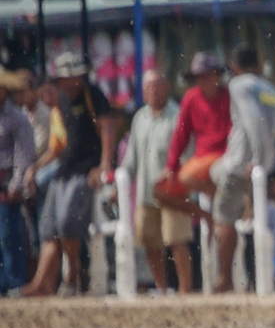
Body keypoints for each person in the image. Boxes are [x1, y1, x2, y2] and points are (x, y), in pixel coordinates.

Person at [19, 53, 115, 297]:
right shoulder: (62, 101)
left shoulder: (92, 94)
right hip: (65, 169)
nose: (62, 83)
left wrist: (104, 164)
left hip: (85, 168)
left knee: (66, 223)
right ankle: (41, 283)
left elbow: (108, 127)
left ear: (75, 77)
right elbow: (58, 145)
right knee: (49, 226)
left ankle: (71, 276)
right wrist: (35, 167)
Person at [209, 45, 275, 294]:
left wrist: (257, 159)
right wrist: (264, 161)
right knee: (255, 221)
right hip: (262, 168)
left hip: (243, 164)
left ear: (235, 67)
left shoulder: (239, 84)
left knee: (224, 220)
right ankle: (253, 279)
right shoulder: (270, 89)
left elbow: (254, 121)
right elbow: (273, 127)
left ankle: (224, 278)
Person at [119, 68, 190, 295]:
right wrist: (117, 185)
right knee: (151, 243)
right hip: (146, 193)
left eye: (158, 84)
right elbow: (132, 158)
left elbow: (187, 154)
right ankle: (162, 289)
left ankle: (185, 291)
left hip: (172, 191)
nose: (153, 90)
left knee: (177, 241)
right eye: (149, 86)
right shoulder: (140, 118)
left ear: (167, 87)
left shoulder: (177, 115)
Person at [155, 52, 231, 221]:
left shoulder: (229, 96)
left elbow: (234, 133)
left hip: (223, 155)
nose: (203, 81)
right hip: (201, 159)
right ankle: (207, 215)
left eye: (207, 76)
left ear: (217, 76)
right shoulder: (191, 97)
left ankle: (223, 202)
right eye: (199, 77)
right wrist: (171, 166)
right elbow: (181, 134)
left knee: (186, 176)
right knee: (159, 190)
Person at [0, 68, 37, 297]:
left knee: (8, 235)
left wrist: (16, 184)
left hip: (6, 182)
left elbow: (24, 153)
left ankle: (15, 283)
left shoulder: (17, 118)